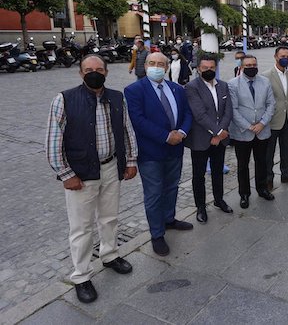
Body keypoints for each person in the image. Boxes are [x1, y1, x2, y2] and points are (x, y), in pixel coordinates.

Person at [46, 55, 138, 304]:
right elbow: (54, 142)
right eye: (88, 70)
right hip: (81, 174)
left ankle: (109, 255)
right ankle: (81, 276)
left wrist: (130, 161)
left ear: (106, 72)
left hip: (110, 167)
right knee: (81, 228)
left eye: (99, 69)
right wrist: (66, 174)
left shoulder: (117, 98)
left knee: (110, 218)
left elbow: (127, 130)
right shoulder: (64, 100)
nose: (94, 73)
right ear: (80, 74)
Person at [125, 52, 193, 257]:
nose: (157, 67)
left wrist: (181, 132)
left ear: (167, 67)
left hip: (176, 148)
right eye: (152, 63)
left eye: (161, 64)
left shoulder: (177, 89)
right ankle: (156, 233)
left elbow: (187, 114)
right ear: (145, 66)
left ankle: (169, 219)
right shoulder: (134, 90)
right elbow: (138, 121)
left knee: (172, 186)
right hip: (151, 152)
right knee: (154, 193)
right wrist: (165, 136)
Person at [184, 54, 234, 224]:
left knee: (218, 170)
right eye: (205, 68)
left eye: (211, 68)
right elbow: (199, 114)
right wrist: (217, 132)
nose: (208, 70)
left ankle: (219, 200)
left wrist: (221, 133)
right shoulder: (192, 87)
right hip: (201, 139)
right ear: (198, 69)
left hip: (220, 138)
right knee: (199, 175)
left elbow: (228, 111)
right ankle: (201, 207)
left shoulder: (223, 86)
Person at [228, 55, 276, 208]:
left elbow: (271, 105)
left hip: (262, 131)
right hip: (243, 132)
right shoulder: (233, 84)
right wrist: (249, 126)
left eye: (254, 64)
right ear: (241, 67)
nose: (251, 67)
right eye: (248, 65)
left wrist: (261, 123)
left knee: (262, 162)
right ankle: (244, 193)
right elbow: (233, 110)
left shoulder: (265, 82)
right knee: (243, 165)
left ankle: (262, 189)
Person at [264, 46, 288, 190]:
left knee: (287, 150)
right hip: (272, 120)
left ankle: (286, 174)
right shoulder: (266, 76)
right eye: (282, 56)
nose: (285, 58)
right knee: (269, 153)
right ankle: (268, 178)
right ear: (276, 57)